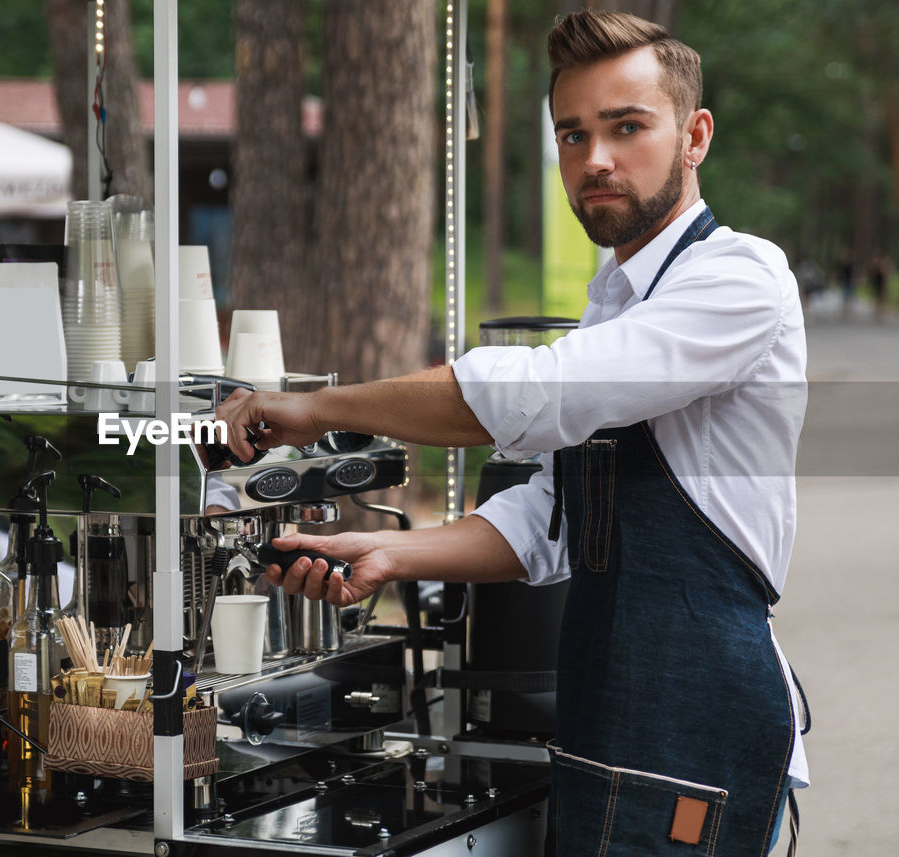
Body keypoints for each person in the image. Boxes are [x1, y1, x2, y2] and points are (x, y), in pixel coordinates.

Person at [216, 11, 807, 857]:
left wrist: (317, 407)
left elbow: (541, 393)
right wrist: (389, 555)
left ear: (695, 135)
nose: (595, 158)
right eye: (573, 134)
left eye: (627, 127)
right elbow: (550, 520)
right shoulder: (614, 299)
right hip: (605, 711)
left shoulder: (740, 279)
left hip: (699, 716)